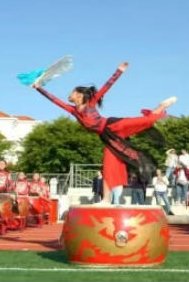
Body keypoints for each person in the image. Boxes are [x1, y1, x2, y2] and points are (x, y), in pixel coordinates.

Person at [32, 62, 175, 205]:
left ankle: (160, 107)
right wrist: (38, 88)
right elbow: (55, 100)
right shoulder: (73, 111)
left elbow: (106, 87)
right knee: (108, 167)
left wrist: (119, 71)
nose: (69, 94)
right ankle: (106, 199)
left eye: (72, 92)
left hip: (112, 125)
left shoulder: (91, 103)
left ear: (79, 95)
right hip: (108, 138)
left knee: (142, 121)